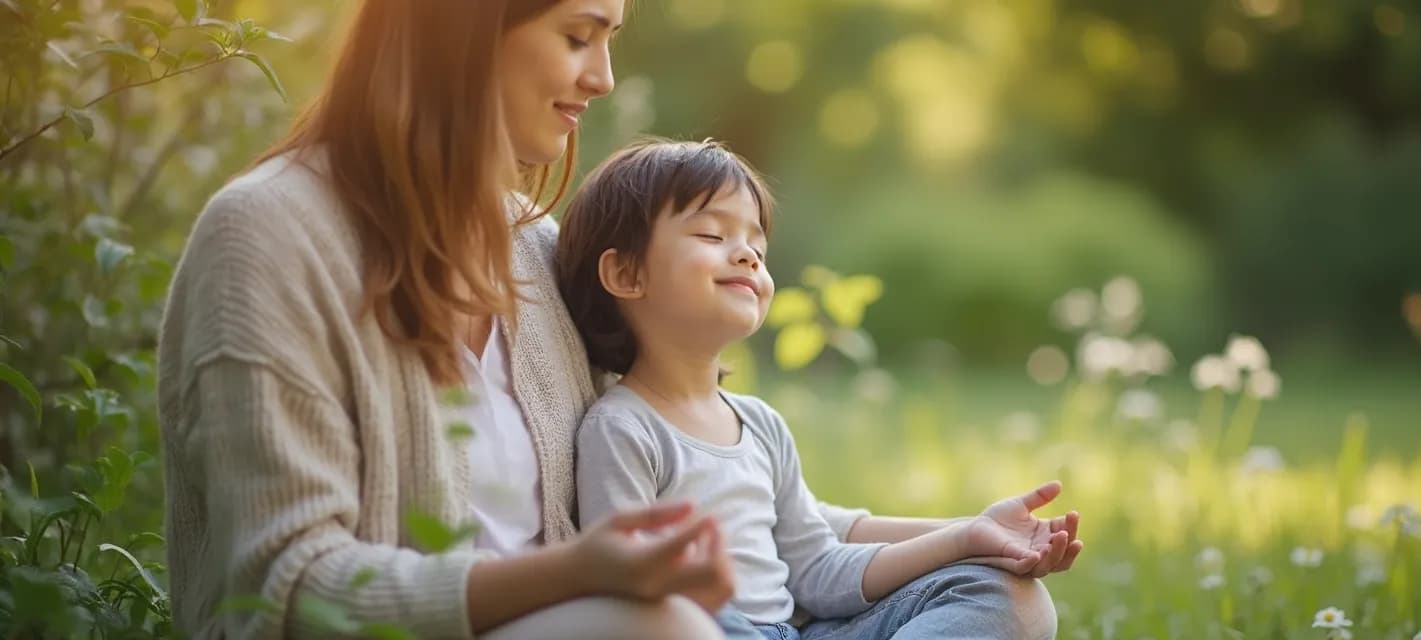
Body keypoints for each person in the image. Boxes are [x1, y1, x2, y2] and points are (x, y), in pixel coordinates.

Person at [155, 1, 1077, 638]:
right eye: (578, 34)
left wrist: (961, 531)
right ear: (462, 32)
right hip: (592, 624)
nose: (602, 77)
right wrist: (581, 576)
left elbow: (743, 504)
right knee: (663, 625)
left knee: (1004, 601)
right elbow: (283, 588)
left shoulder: (529, 250)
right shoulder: (269, 238)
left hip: (634, 618)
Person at [558, 139, 1070, 639]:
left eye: (756, 245)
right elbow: (624, 596)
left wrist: (962, 540)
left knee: (1008, 596)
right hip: (707, 627)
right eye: (713, 236)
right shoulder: (622, 428)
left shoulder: (760, 426)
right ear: (626, 273)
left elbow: (819, 571)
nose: (748, 257)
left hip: (801, 630)